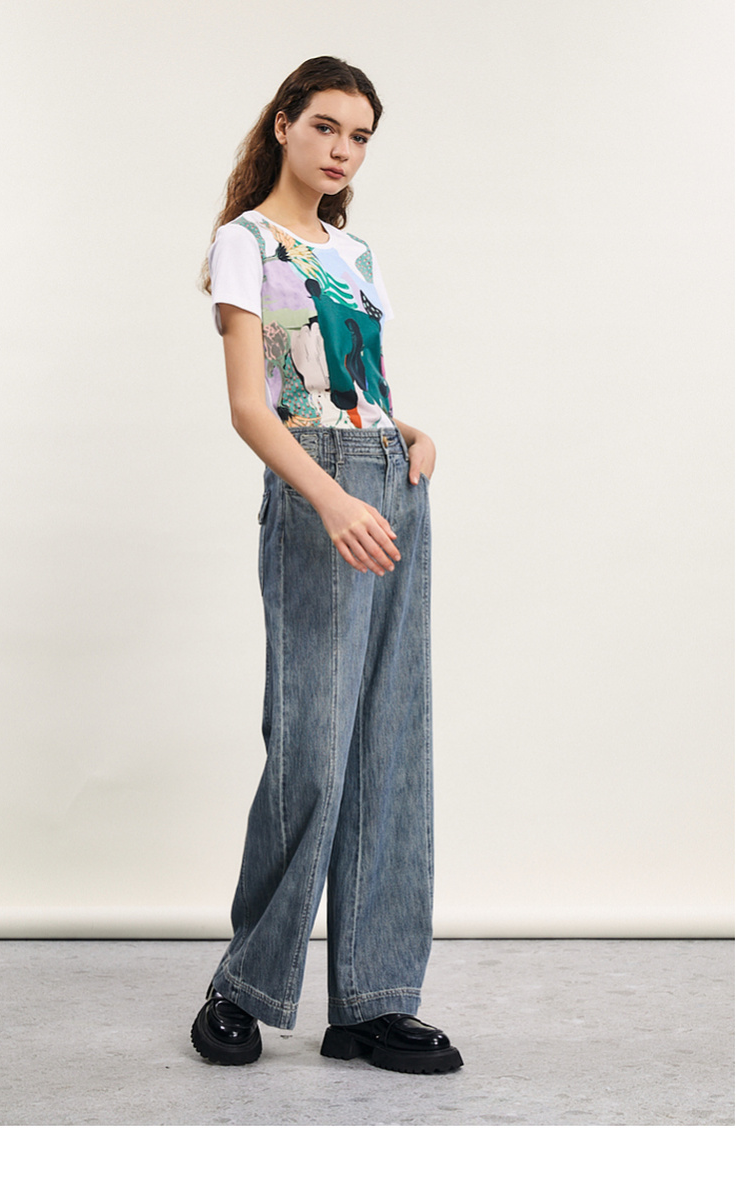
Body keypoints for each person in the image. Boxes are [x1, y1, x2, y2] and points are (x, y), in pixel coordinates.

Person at [189, 56, 462, 1075]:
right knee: (312, 748)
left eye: (359, 137)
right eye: (325, 127)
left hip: (390, 479)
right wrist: (331, 495)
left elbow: (351, 383)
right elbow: (252, 406)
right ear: (283, 126)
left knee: (390, 744)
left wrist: (406, 431)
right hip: (320, 496)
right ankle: (243, 987)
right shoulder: (244, 241)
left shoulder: (355, 251)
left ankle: (373, 1001)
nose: (342, 150)